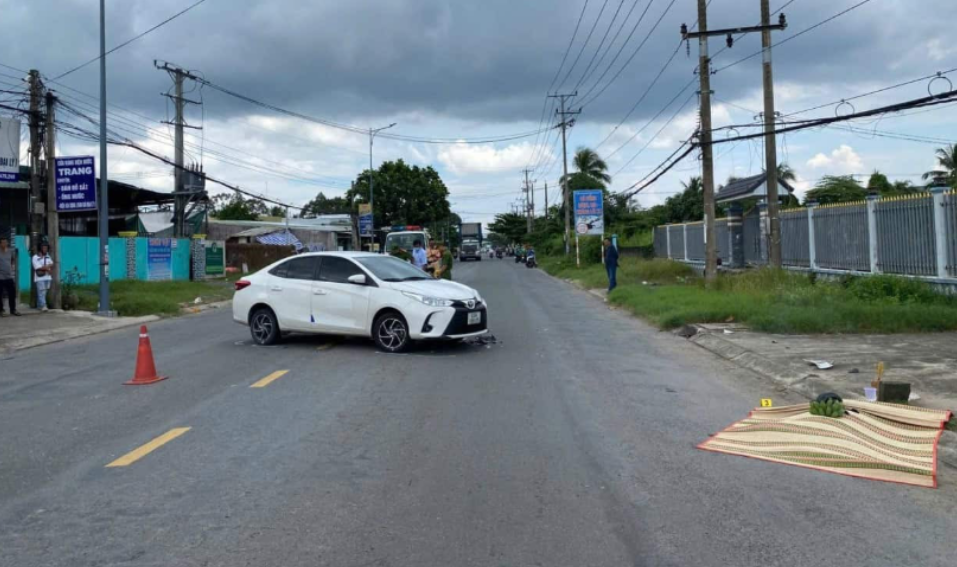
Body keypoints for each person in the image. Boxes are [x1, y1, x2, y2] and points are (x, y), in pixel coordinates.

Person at [0, 235, 19, 317]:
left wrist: (11, 268)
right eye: (3, 242)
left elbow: (12, 260)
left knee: (12, 293)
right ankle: (1, 310)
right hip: (0, 276)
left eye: (6, 242)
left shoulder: (10, 251)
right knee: (0, 294)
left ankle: (13, 309)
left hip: (9, 276)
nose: (5, 244)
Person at [32, 242, 54, 312]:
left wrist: (46, 267)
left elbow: (52, 263)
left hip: (48, 277)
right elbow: (37, 267)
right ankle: (44, 305)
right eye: (43, 247)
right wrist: (47, 268)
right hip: (40, 278)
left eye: (46, 247)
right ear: (40, 248)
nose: (45, 249)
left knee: (44, 292)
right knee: (41, 292)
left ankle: (39, 305)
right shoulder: (35, 257)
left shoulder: (48, 256)